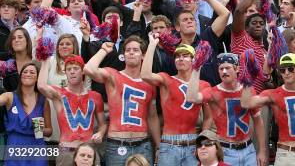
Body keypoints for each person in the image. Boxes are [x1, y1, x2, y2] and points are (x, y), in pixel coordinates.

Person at [84, 36, 160, 165]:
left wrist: (158, 146)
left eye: (135, 50)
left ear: (143, 55)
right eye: (128, 50)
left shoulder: (149, 83)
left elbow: (152, 116)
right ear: (123, 55)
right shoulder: (113, 75)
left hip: (143, 144)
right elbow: (88, 69)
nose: (131, 52)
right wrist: (104, 50)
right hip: (116, 144)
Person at [186, 52, 266, 166]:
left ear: (237, 69)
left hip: (248, 149)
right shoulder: (214, 92)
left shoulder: (248, 90)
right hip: (225, 151)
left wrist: (262, 151)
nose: (224, 71)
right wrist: (196, 68)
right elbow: (191, 98)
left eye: (227, 68)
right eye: (221, 69)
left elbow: (258, 121)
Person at [141, 37, 209, 166]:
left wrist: (202, 141)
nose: (180, 59)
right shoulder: (166, 79)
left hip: (193, 143)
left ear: (194, 60)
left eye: (185, 56)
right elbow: (145, 75)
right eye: (177, 56)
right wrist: (152, 44)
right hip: (169, 143)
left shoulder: (204, 85)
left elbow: (208, 117)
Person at [37, 55, 106, 166]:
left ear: (83, 71)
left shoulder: (95, 96)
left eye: (75, 68)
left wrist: (101, 133)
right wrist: (45, 62)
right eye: (69, 69)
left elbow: (103, 124)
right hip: (67, 151)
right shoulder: (59, 94)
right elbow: (41, 86)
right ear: (66, 73)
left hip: (88, 151)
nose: (72, 72)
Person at [0, 62, 52, 166]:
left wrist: (41, 128)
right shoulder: (9, 97)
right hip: (15, 145)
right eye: (25, 72)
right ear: (20, 76)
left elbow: (49, 131)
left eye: (32, 72)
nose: (28, 74)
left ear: (37, 78)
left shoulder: (43, 100)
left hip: (36, 147)